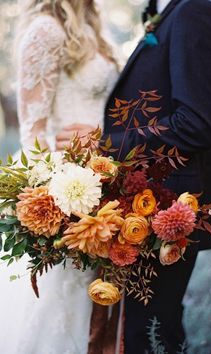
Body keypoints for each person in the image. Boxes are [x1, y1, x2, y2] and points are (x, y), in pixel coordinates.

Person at [56, 0, 211, 353]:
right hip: (145, 205)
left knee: (148, 333)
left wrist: (103, 143)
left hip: (171, 209)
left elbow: (195, 126)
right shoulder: (169, 13)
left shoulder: (196, 12)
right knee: (148, 329)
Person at [0, 0, 119, 353]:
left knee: (100, 300)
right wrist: (58, 188)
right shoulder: (45, 30)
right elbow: (32, 130)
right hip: (68, 183)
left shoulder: (94, 26)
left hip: (103, 177)